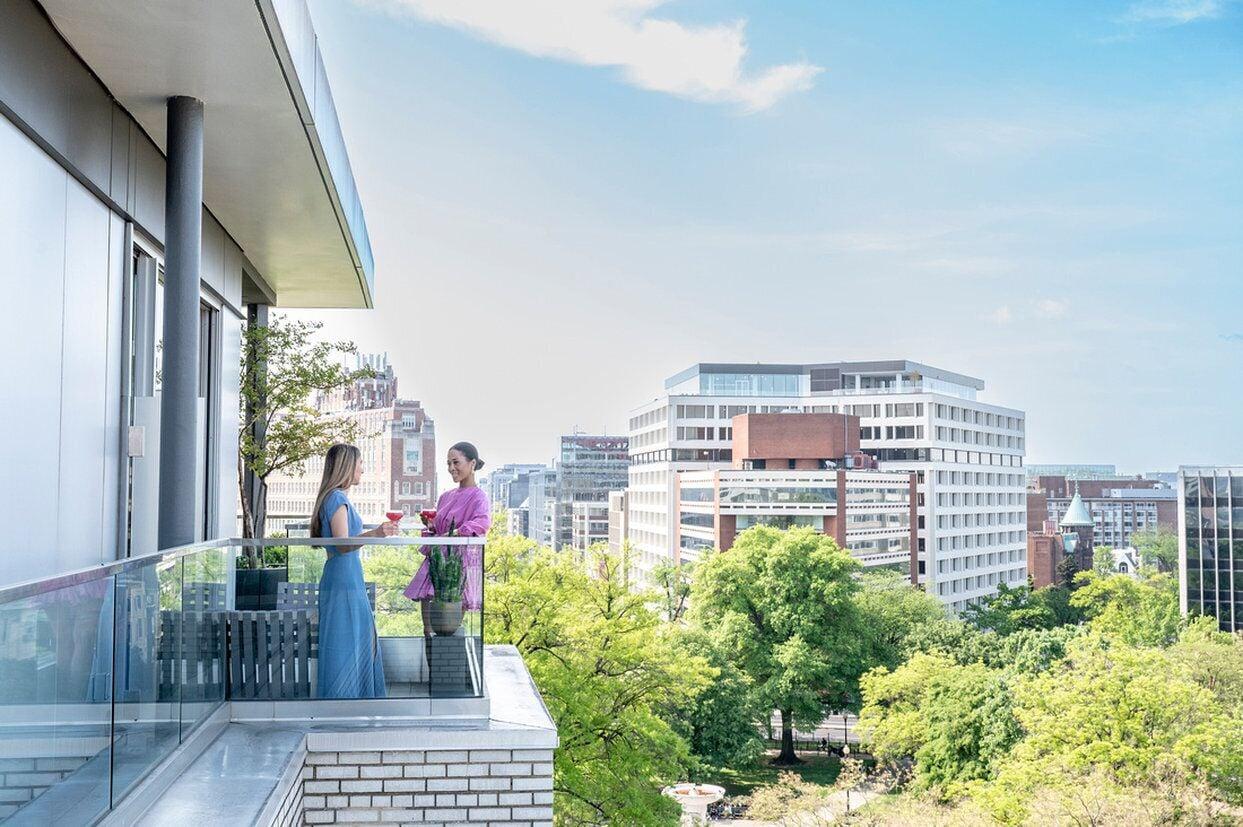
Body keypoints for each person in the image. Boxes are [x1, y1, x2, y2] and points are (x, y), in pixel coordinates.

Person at [312, 443, 397, 699]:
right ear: (348, 466)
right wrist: (377, 533)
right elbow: (343, 544)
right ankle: (348, 704)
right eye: (360, 463)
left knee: (354, 639)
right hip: (344, 577)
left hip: (344, 575)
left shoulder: (335, 498)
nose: (363, 468)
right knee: (350, 641)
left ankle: (351, 702)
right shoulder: (337, 498)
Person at [404, 442, 490, 635]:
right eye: (448, 463)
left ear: (472, 463)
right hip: (435, 561)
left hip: (456, 565)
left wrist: (455, 533)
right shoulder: (445, 496)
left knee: (448, 630)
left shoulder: (479, 497)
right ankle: (428, 662)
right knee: (427, 629)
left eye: (456, 462)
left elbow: (482, 523)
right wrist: (432, 525)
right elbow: (441, 529)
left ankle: (444, 663)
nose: (451, 468)